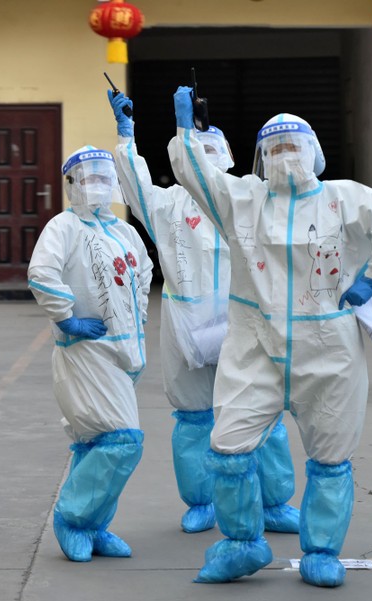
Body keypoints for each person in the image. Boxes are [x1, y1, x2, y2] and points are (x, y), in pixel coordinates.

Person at [167, 87, 372, 587]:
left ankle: (322, 551)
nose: (285, 156)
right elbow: (199, 176)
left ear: (315, 152)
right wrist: (184, 134)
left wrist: (370, 277)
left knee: (330, 453)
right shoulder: (243, 198)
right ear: (260, 159)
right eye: (274, 148)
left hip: (328, 348)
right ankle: (242, 544)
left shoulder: (344, 197)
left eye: (294, 145)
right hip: (253, 344)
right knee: (229, 444)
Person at [107, 90, 300, 535]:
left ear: (230, 156)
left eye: (214, 148)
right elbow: (135, 186)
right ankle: (201, 502)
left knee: (262, 413)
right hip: (186, 325)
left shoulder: (251, 197)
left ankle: (274, 502)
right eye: (200, 149)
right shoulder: (167, 204)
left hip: (246, 322)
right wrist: (126, 136)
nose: (207, 157)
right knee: (194, 417)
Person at [27, 146, 153, 562]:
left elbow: (143, 275)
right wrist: (67, 319)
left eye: (103, 176)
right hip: (84, 350)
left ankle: (94, 525)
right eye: (87, 176)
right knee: (123, 441)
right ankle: (71, 517)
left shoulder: (124, 231)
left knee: (95, 441)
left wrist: (136, 329)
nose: (96, 184)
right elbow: (41, 273)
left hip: (122, 350)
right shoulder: (62, 226)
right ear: (71, 185)